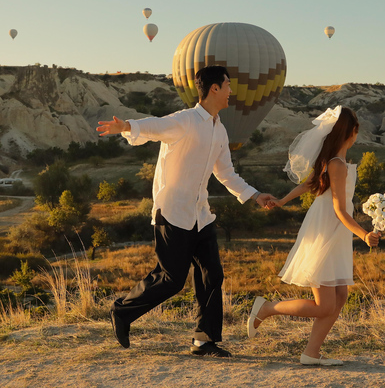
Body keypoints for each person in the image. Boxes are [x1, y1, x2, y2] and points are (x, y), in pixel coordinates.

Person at [96, 65, 274, 358]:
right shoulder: (185, 120)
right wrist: (127, 126)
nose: (232, 90)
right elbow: (155, 126)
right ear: (214, 88)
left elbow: (226, 173)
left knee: (212, 275)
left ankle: (204, 340)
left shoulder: (220, 129)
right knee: (172, 279)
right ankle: (122, 311)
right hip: (173, 213)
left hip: (201, 215)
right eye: (228, 84)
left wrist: (255, 196)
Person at [246, 106, 380, 366]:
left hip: (334, 230)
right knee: (323, 305)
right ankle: (266, 308)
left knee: (340, 298)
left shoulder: (332, 161)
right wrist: (364, 235)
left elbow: (310, 183)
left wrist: (284, 200)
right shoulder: (337, 164)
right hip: (328, 229)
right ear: (351, 133)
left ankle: (311, 353)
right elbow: (340, 210)